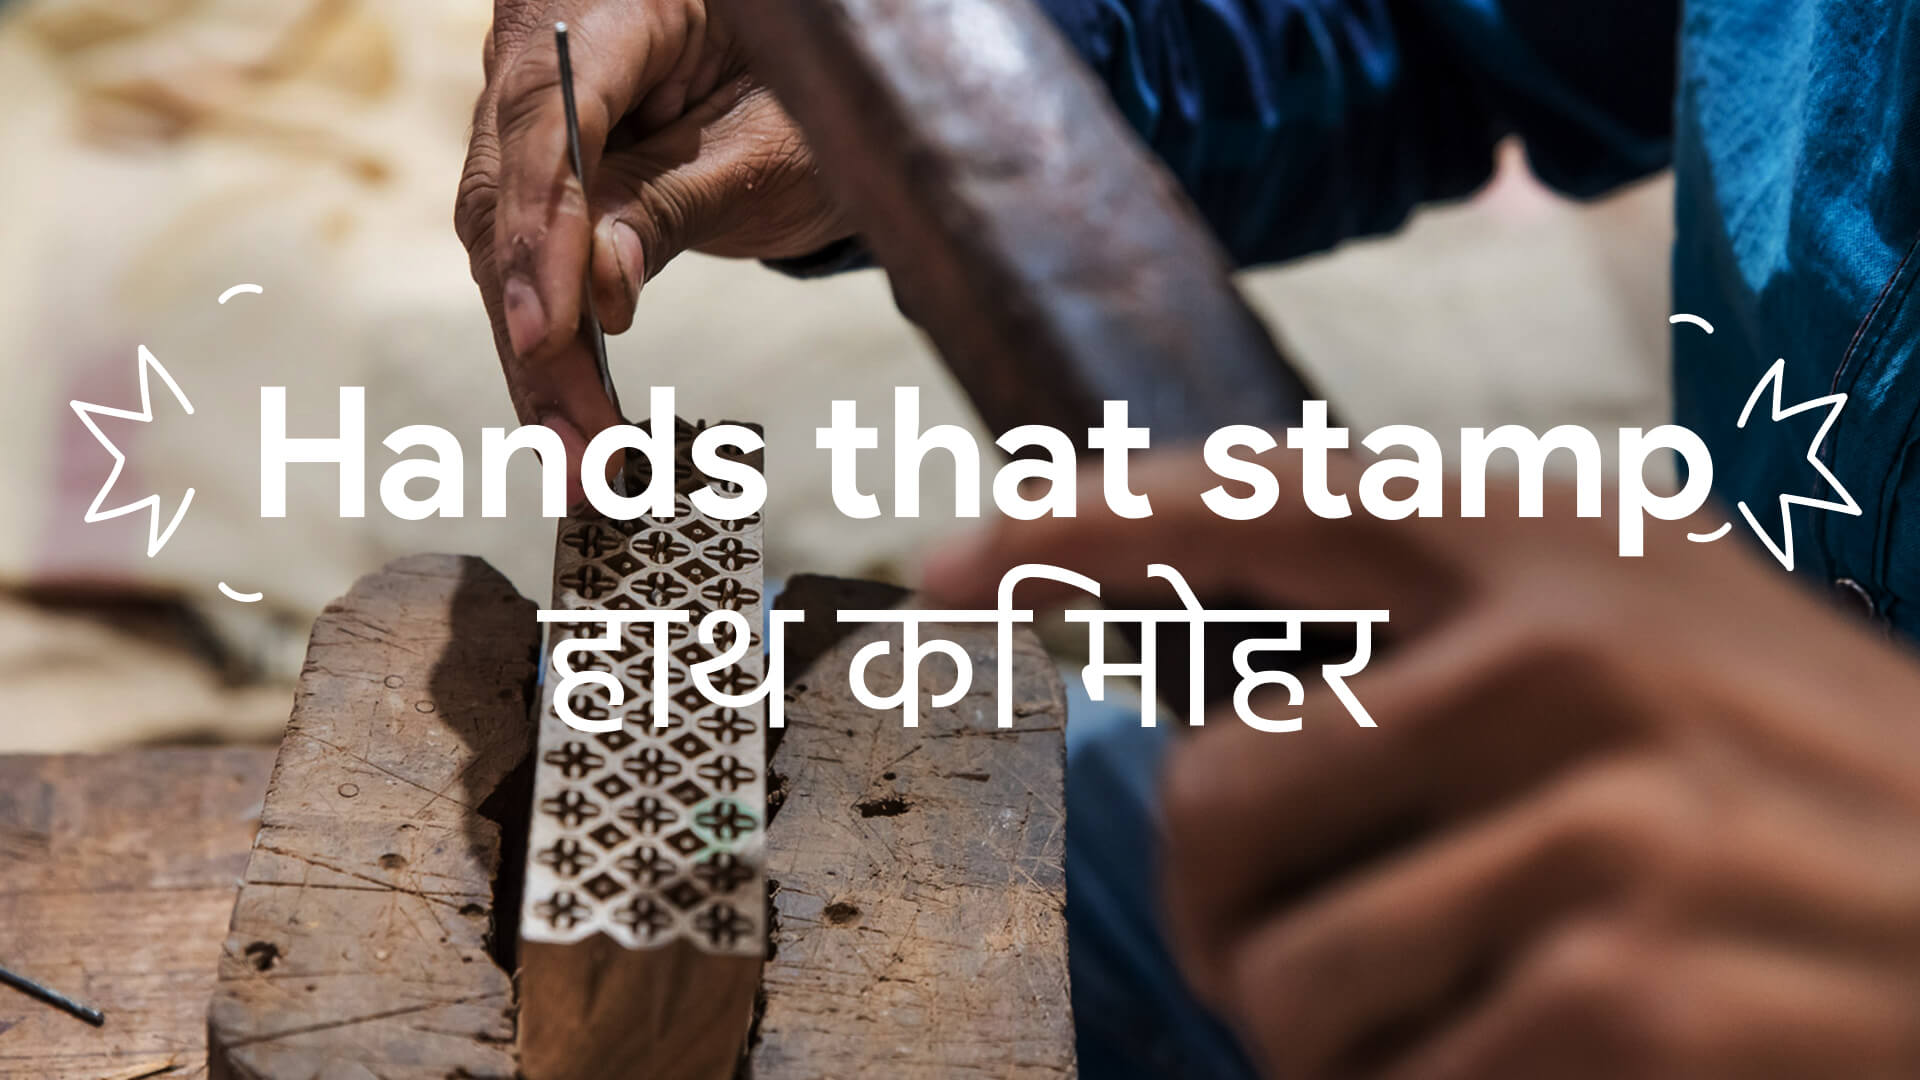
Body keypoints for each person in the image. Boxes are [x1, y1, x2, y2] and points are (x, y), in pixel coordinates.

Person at [456, 2, 1920, 1076]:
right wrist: (921, 81)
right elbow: (1435, 31)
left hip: (1758, 935)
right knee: (701, 739)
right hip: (1622, 835)